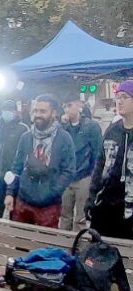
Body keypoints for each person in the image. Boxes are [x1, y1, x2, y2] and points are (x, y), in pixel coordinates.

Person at [5, 94, 76, 228]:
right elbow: (17, 167)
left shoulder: (64, 138)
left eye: (43, 111)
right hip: (23, 201)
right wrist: (10, 193)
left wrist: (53, 192)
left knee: (45, 247)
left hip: (49, 205)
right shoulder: (26, 137)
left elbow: (69, 171)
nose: (38, 114)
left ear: (54, 113)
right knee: (20, 244)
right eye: (36, 111)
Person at [86, 80, 133, 240]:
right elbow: (99, 166)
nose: (119, 101)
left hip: (130, 207)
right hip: (106, 204)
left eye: (125, 97)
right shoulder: (113, 130)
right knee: (101, 253)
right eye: (117, 97)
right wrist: (92, 198)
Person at [59, 93, 103, 231]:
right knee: (64, 216)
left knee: (81, 218)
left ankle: (79, 248)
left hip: (84, 176)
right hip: (66, 177)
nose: (67, 109)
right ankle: (63, 247)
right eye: (65, 106)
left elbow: (98, 154)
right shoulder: (62, 128)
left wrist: (94, 176)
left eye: (70, 105)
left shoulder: (91, 127)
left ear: (79, 105)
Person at [0, 100, 30, 218]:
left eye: (10, 110)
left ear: (15, 112)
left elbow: (26, 151)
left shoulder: (23, 129)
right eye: (5, 110)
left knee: (13, 205)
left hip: (14, 173)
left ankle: (12, 229)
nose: (7, 113)